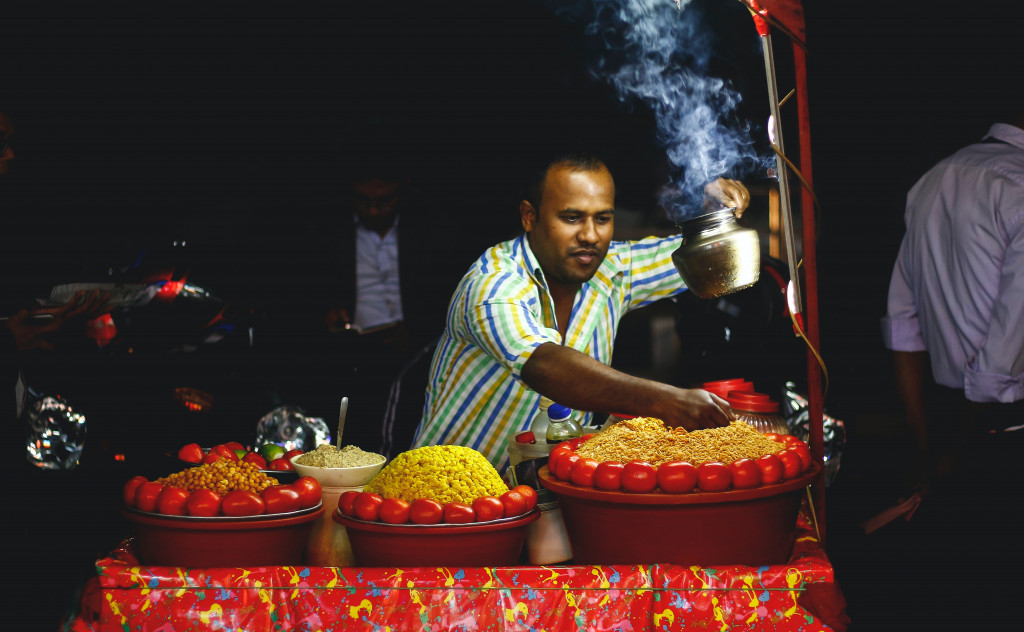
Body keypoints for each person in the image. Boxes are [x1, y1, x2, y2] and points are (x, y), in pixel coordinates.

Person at [412, 151, 751, 468]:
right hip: (448, 496)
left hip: (552, 492)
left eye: (602, 219)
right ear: (530, 217)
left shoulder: (614, 269)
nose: (590, 235)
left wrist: (715, 216)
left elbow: (708, 255)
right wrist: (665, 400)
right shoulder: (493, 282)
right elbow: (544, 365)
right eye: (571, 218)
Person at [880, 114, 1024, 626]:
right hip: (1002, 434)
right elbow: (999, 365)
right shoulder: (1018, 187)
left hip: (949, 428)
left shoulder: (932, 181)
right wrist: (959, 445)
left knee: (962, 595)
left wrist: (924, 448)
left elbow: (903, 328)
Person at [262, 122, 482, 457]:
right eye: (364, 201)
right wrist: (327, 314)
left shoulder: (431, 230)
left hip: (414, 350)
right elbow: (299, 291)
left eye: (384, 200)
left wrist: (417, 332)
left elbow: (451, 296)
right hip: (348, 352)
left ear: (402, 190)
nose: (374, 209)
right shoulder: (325, 230)